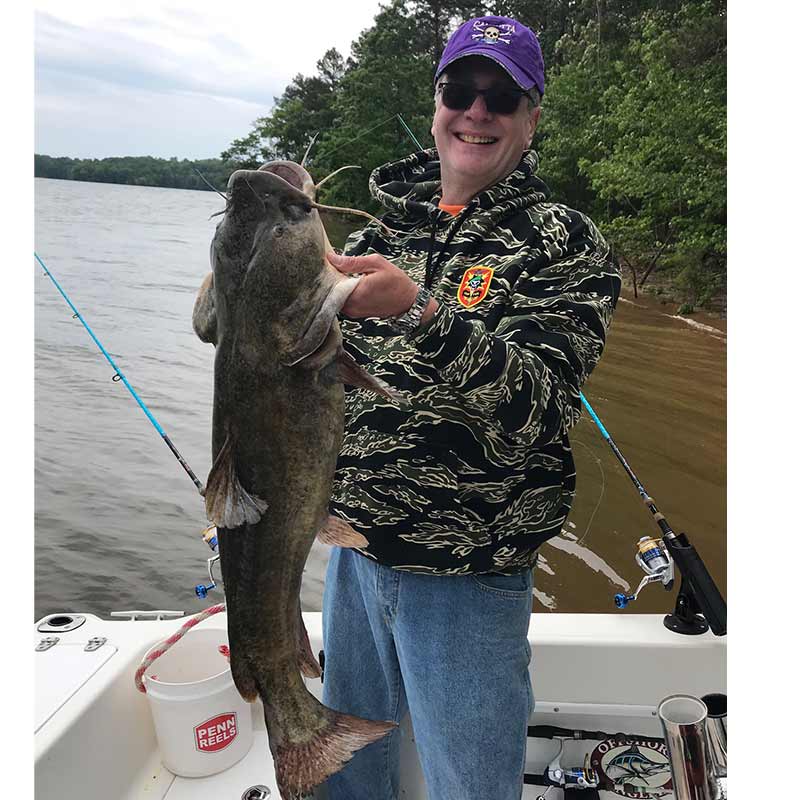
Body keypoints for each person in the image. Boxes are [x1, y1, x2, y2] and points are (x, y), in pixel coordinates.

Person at [321, 14, 621, 800]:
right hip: (349, 553)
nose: (477, 111)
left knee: (470, 786)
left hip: (467, 577)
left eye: (502, 95)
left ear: (532, 118)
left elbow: (544, 403)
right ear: (437, 100)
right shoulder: (383, 226)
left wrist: (418, 309)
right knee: (347, 772)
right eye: (462, 89)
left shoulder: (565, 242)